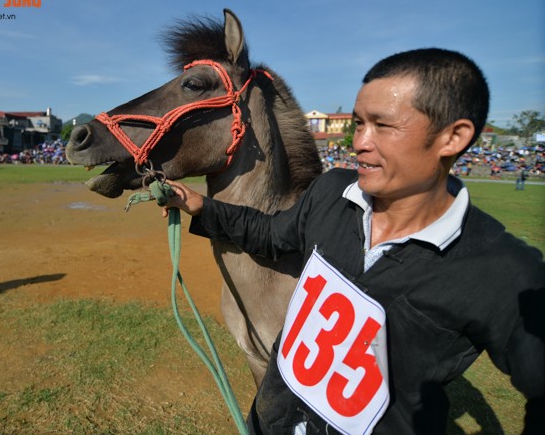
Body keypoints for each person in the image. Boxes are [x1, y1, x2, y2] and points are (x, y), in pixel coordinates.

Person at [161, 48, 544, 434]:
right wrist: (201, 207)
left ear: (452, 137)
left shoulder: (504, 269)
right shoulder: (331, 192)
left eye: (383, 126)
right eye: (359, 124)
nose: (360, 141)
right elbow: (270, 234)